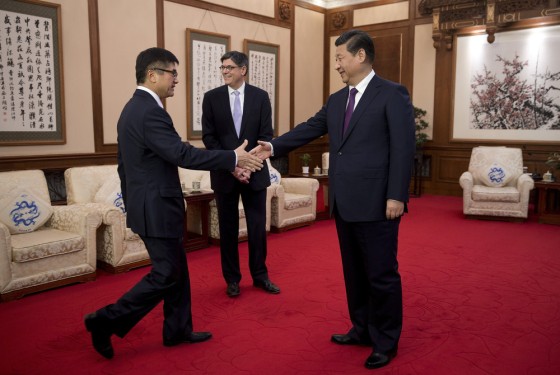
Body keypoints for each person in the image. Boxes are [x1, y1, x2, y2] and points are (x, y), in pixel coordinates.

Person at [84, 47, 263, 359]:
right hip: (156, 206)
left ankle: (177, 329)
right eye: (172, 73)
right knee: (166, 273)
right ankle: (106, 320)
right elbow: (181, 154)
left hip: (150, 204)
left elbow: (125, 166)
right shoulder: (148, 111)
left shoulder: (135, 108)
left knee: (177, 270)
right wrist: (233, 156)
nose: (176, 80)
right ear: (153, 75)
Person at [251, 30, 415, 369]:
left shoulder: (392, 94)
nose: (336, 64)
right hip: (344, 201)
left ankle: (386, 340)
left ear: (360, 57)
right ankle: (361, 329)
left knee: (381, 274)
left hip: (378, 201)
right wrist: (271, 146)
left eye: (340, 57)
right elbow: (310, 127)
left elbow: (403, 148)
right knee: (354, 271)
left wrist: (396, 195)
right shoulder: (338, 99)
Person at [202, 51, 280, 297]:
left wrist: (248, 165)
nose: (225, 71)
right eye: (222, 67)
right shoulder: (211, 98)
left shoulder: (260, 97)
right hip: (225, 174)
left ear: (243, 70)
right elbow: (209, 138)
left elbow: (266, 135)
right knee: (228, 229)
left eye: (230, 67)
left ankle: (260, 276)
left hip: (255, 172)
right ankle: (232, 279)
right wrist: (233, 165)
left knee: (257, 228)